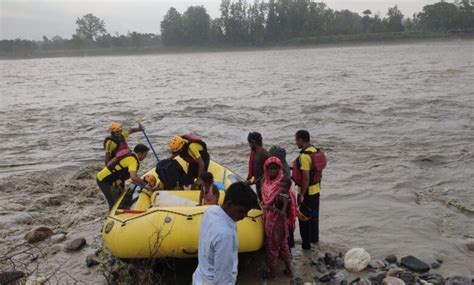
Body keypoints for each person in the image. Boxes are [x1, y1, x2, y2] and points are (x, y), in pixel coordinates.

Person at [192, 182, 257, 285]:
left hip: (200, 276)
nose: (245, 216)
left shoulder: (211, 211)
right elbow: (222, 279)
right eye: (242, 211)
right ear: (229, 204)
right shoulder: (225, 235)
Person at [292, 130, 327, 250]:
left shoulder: (304, 156)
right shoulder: (316, 151)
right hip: (316, 191)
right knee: (314, 218)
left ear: (301, 140)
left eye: (296, 140)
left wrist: (301, 195)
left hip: (307, 193)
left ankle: (306, 248)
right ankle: (315, 241)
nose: (296, 142)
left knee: (304, 220)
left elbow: (306, 177)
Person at [97, 144, 153, 210]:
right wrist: (145, 185)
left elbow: (133, 176)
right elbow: (133, 177)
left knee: (120, 197)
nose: (145, 157)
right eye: (145, 155)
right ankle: (112, 217)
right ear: (140, 153)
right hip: (104, 180)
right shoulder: (133, 160)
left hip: (108, 177)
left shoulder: (131, 155)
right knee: (114, 203)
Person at [262, 177, 294, 278]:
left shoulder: (285, 197)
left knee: (272, 248)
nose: (281, 188)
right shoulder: (285, 195)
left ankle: (272, 273)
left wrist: (270, 208)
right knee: (284, 247)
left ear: (288, 188)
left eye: (283, 187)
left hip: (275, 226)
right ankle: (289, 270)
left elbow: (283, 212)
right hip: (283, 226)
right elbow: (271, 202)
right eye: (280, 186)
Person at [269, 145, 297, 248]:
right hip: (290, 199)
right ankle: (289, 245)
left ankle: (286, 247)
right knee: (288, 224)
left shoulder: (281, 170)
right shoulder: (285, 166)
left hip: (284, 201)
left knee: (285, 224)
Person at [246, 132, 270, 200]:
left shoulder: (263, 154)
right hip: (258, 185)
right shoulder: (255, 153)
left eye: (249, 144)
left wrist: (253, 181)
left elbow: (270, 172)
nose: (249, 145)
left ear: (254, 142)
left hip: (265, 187)